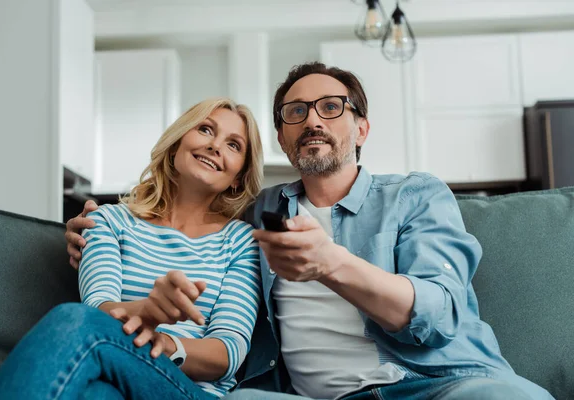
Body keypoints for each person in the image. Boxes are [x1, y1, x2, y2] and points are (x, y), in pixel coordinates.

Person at [65, 63, 553, 400]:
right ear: (282, 136)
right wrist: (91, 230)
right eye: (296, 112)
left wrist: (331, 263)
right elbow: (185, 224)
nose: (312, 120)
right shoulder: (258, 214)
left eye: (331, 107)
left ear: (361, 128)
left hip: (435, 385)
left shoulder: (414, 195)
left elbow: (439, 313)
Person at [0, 98, 264, 400]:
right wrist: (146, 311)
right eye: (206, 130)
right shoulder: (107, 220)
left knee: (71, 318)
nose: (215, 146)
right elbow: (97, 311)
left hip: (187, 390)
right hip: (111, 374)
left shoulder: (241, 241)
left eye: (233, 145)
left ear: (238, 178)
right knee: (95, 394)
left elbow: (228, 352)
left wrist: (165, 344)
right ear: (176, 143)